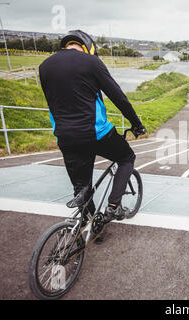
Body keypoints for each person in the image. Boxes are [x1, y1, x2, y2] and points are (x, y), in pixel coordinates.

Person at [39, 30, 146, 232]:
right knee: (126, 158)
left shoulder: (45, 66)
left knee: (82, 187)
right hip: (96, 133)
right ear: (88, 47)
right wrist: (136, 123)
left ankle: (93, 228)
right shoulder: (91, 62)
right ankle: (113, 206)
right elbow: (118, 96)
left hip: (65, 136)